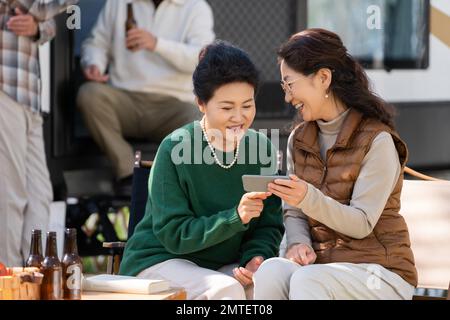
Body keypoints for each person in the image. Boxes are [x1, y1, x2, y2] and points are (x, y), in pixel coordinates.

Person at [253, 28, 418, 300]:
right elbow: (294, 212)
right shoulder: (299, 139)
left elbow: (361, 223)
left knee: (309, 279)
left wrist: (309, 197)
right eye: (284, 87)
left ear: (323, 78)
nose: (287, 97)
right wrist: (298, 243)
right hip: (324, 269)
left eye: (290, 84)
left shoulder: (377, 141)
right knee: (271, 271)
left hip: (381, 274)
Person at [119, 41, 284, 300]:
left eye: (247, 105)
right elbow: (173, 234)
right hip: (161, 260)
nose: (239, 117)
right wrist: (234, 218)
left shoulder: (260, 148)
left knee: (268, 283)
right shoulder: (175, 147)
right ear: (201, 103)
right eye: (227, 107)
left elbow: (268, 226)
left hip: (222, 266)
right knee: (226, 290)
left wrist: (256, 258)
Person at [76, 0, 215, 196]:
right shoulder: (119, 3)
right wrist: (94, 64)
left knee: (201, 119)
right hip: (125, 99)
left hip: (173, 104)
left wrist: (157, 44)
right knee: (89, 94)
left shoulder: (196, 7)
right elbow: (96, 43)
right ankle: (127, 172)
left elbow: (202, 58)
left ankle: (174, 183)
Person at [0, 0, 77, 267]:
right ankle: (8, 282)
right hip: (4, 89)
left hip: (29, 95)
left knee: (39, 196)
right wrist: (38, 14)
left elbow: (49, 25)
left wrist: (35, 26)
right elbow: (43, 7)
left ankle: (33, 281)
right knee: (9, 195)